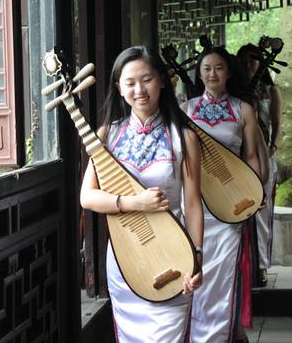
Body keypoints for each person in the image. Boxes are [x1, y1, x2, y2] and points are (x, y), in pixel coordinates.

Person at [80, 46, 204, 343]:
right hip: (126, 258)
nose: (139, 89)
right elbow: (87, 197)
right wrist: (133, 203)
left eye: (146, 79)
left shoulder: (184, 138)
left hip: (173, 254)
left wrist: (197, 257)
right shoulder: (107, 136)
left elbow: (194, 203)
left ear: (162, 80)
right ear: (119, 89)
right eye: (130, 82)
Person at [182, 46, 261, 343]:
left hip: (231, 203)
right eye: (206, 69)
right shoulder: (186, 110)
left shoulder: (244, 109)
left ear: (228, 72)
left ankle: (217, 337)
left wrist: (252, 192)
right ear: (199, 74)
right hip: (193, 202)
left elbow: (251, 156)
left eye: (218, 68)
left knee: (223, 273)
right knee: (191, 270)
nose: (212, 74)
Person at [237, 43, 282, 286]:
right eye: (244, 61)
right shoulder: (233, 92)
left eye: (253, 61)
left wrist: (272, 146)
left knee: (262, 212)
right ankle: (241, 265)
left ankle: (261, 266)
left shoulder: (268, 90)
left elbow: (276, 121)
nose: (248, 65)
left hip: (264, 155)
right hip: (237, 158)